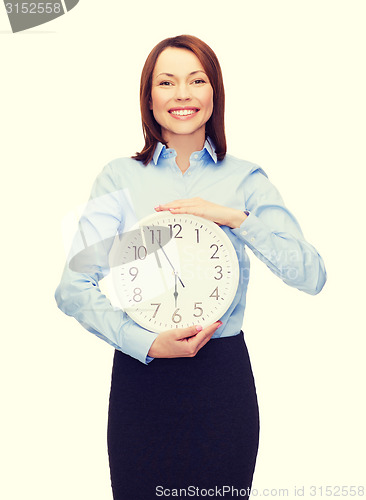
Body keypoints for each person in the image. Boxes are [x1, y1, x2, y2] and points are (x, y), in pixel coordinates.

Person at [55, 34, 327, 499]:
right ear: (149, 97)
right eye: (167, 82)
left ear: (214, 94)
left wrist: (235, 219)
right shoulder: (120, 178)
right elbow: (72, 287)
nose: (182, 94)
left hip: (221, 384)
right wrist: (146, 343)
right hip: (143, 379)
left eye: (196, 80)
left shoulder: (246, 179)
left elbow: (311, 275)